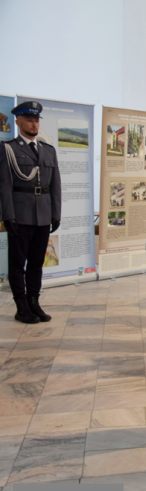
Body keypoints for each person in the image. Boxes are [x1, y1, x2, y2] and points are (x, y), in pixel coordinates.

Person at [0, 101, 61, 324]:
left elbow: (55, 184)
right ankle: (21, 306)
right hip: (20, 214)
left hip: (43, 215)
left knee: (36, 264)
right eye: (29, 120)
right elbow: (4, 186)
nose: (34, 124)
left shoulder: (48, 150)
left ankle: (34, 302)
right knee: (18, 264)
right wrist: (8, 216)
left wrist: (56, 213)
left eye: (36, 120)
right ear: (17, 122)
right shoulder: (8, 149)